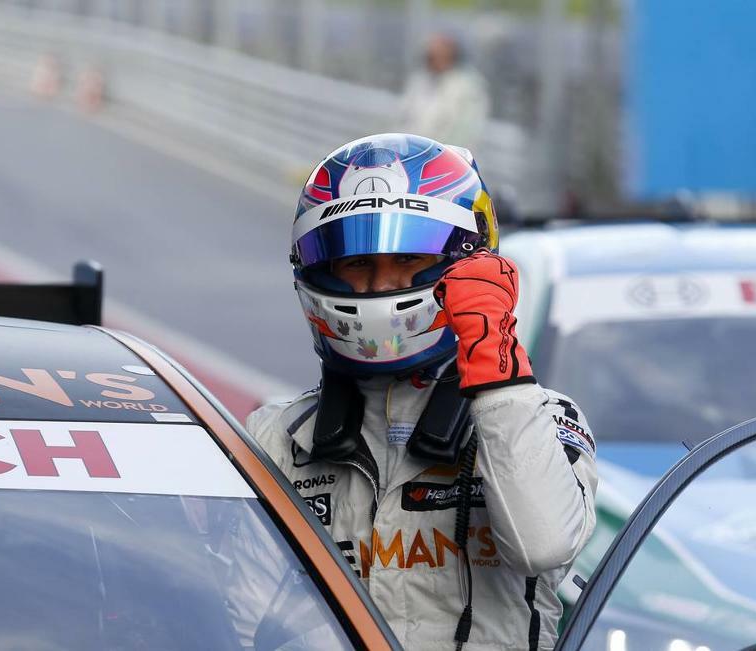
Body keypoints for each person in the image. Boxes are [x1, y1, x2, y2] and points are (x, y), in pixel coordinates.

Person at [247, 133, 597, 650]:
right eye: (359, 264)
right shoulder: (277, 439)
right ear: (320, 271)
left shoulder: (545, 420)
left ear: (466, 264)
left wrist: (497, 378)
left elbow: (541, 545)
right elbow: (242, 615)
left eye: (408, 259)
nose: (382, 286)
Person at [396, 33, 490, 151]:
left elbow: (464, 132)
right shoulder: (420, 80)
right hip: (412, 154)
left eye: (438, 55)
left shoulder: (467, 87)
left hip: (447, 158)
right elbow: (405, 117)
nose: (432, 60)